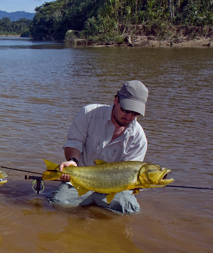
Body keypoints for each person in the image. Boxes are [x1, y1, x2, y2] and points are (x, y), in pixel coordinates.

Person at [50, 80, 149, 214]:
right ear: (116, 101)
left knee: (132, 211)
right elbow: (74, 143)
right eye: (125, 109)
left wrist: (138, 185)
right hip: (81, 181)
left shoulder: (139, 138)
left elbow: (132, 172)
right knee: (58, 204)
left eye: (135, 113)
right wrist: (73, 161)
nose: (129, 116)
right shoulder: (89, 113)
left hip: (114, 189)